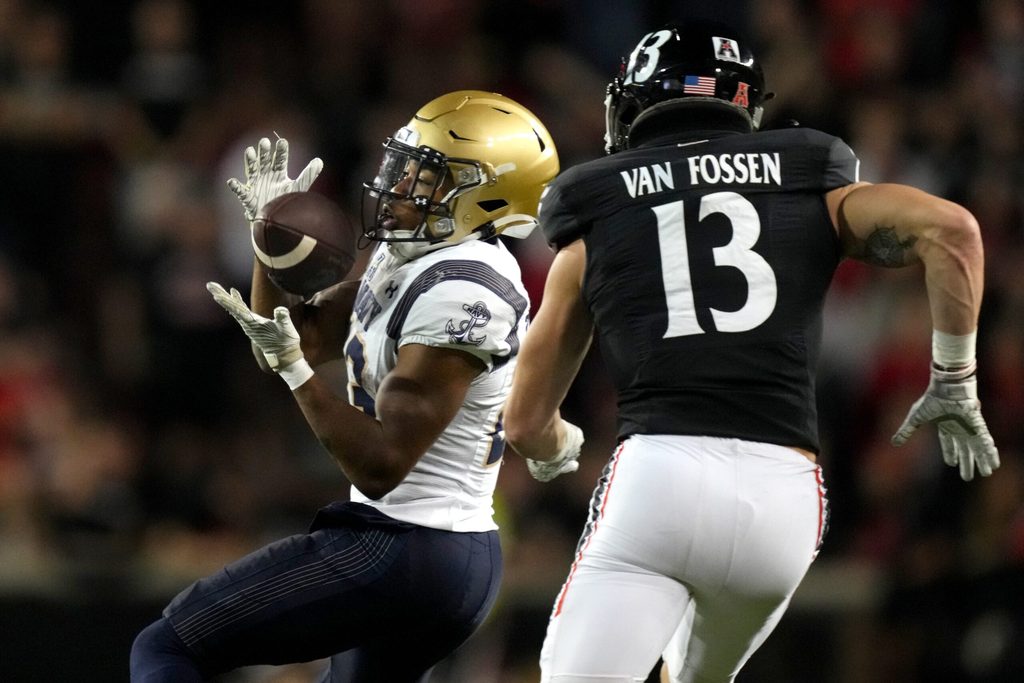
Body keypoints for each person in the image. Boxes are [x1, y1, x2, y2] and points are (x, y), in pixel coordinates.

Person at [502, 20, 1001, 683]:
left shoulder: (595, 215)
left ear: (633, 107)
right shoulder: (810, 183)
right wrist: (954, 377)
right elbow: (954, 230)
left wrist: (558, 444)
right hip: (785, 498)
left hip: (661, 475)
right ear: (745, 103)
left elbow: (525, 423)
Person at [129, 90, 559, 682]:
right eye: (406, 163)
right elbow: (294, 340)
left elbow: (382, 462)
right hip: (432, 553)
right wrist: (268, 243)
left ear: (486, 199)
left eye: (428, 174)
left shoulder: (466, 291)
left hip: (411, 546)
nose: (401, 181)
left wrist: (298, 376)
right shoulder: (416, 253)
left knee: (168, 647)